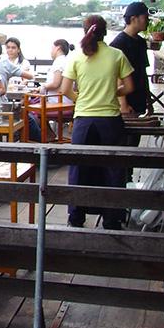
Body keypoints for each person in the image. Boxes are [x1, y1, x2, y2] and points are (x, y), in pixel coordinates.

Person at [60, 15, 134, 230]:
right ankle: (112, 219)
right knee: (113, 169)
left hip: (84, 119)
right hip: (110, 120)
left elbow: (65, 90)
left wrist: (81, 99)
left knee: (79, 168)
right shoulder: (116, 55)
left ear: (85, 31)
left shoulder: (75, 56)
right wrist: (113, 92)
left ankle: (76, 217)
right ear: (105, 31)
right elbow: (129, 88)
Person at [110, 2, 150, 117]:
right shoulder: (118, 44)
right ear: (134, 18)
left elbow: (143, 72)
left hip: (140, 99)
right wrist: (123, 104)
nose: (148, 21)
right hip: (126, 103)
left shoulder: (141, 42)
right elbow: (116, 76)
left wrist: (148, 101)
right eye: (145, 17)